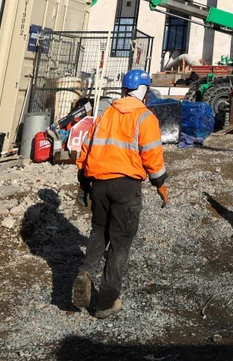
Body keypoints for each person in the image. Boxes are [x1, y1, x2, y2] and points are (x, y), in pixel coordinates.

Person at [72, 69, 168, 319]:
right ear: (144, 91)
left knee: (98, 231)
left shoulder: (105, 115)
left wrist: (83, 185)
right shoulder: (145, 117)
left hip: (99, 185)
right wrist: (160, 184)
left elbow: (86, 148)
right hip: (126, 186)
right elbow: (152, 155)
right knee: (120, 242)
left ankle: (85, 272)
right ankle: (106, 302)